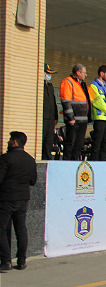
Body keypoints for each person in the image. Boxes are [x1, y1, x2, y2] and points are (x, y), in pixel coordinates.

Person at [0, 132, 37, 271]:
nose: (8, 142)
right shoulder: (30, 159)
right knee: (20, 229)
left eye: (10, 140)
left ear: (15, 142)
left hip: (6, 198)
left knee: (1, 228)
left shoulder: (6, 158)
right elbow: (33, 181)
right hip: (23, 198)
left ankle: (5, 260)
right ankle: (21, 260)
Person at [60, 63, 91, 161]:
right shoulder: (68, 82)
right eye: (84, 73)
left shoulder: (80, 84)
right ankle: (67, 164)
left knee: (78, 144)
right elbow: (66, 102)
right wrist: (70, 117)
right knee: (70, 144)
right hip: (74, 120)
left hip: (82, 120)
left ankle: (75, 164)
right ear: (78, 73)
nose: (86, 75)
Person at [88, 65, 106, 161]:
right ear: (101, 73)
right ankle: (95, 163)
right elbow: (97, 101)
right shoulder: (93, 86)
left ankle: (103, 164)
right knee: (97, 144)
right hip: (100, 119)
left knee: (105, 144)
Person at [42, 63, 58, 160]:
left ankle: (47, 159)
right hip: (43, 117)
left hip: (51, 118)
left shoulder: (50, 86)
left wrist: (56, 117)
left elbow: (54, 102)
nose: (48, 76)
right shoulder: (40, 86)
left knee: (49, 141)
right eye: (46, 73)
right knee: (42, 140)